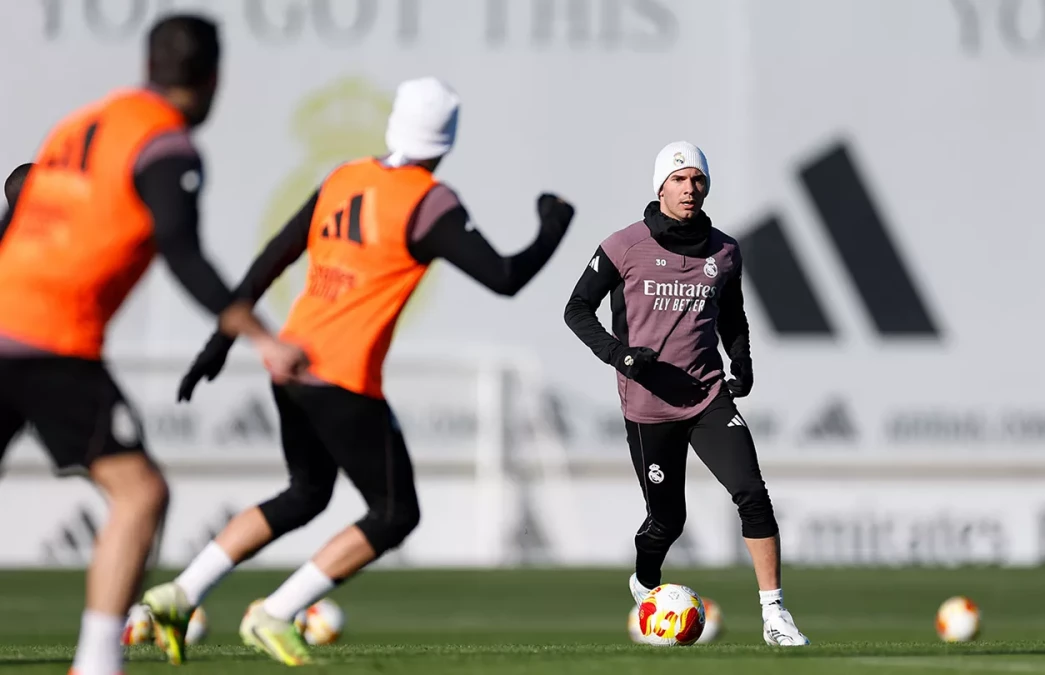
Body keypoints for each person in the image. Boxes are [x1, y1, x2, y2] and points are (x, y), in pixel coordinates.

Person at [142, 76, 575, 666]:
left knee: (306, 493)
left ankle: (180, 591)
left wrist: (220, 343)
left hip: (289, 364)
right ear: (447, 138)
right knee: (396, 513)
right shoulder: (428, 201)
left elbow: (273, 255)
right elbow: (505, 277)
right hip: (341, 376)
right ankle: (275, 612)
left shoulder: (345, 176)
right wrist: (553, 225)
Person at [0, 15, 306, 675]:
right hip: (48, 336)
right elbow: (184, 252)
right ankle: (97, 662)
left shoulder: (84, 122)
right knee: (141, 493)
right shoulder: (164, 144)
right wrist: (259, 335)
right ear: (214, 78)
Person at [563, 141, 809, 647]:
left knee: (752, 495)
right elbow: (577, 309)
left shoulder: (725, 250)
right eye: (679, 179)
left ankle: (775, 614)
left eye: (697, 179)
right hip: (648, 403)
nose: (689, 188)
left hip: (707, 396)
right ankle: (645, 581)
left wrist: (741, 360)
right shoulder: (623, 245)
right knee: (667, 520)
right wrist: (620, 355)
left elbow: (733, 316)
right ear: (660, 187)